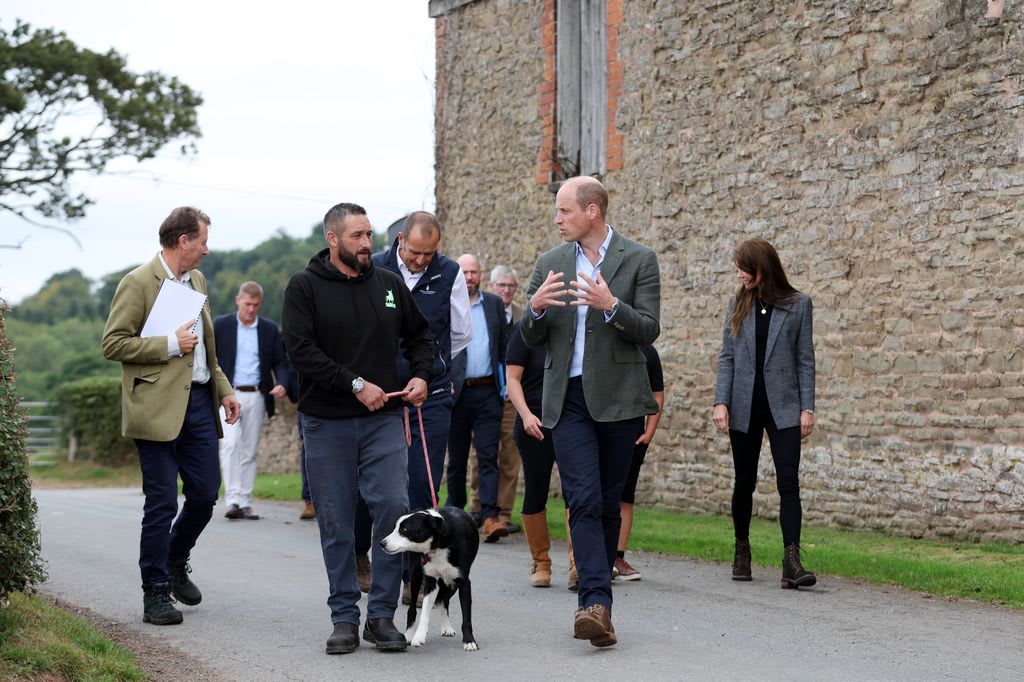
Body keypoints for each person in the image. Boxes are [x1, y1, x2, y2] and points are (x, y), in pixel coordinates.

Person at [282, 202, 433, 654]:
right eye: (357, 237)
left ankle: (381, 617)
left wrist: (422, 375)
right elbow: (301, 351)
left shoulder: (388, 285)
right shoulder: (303, 287)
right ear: (333, 239)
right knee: (336, 520)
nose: (367, 244)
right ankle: (345, 617)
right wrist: (353, 383)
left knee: (392, 509)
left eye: (369, 235)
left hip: (385, 417)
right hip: (327, 423)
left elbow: (421, 336)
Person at [522, 176, 660, 648]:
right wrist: (535, 312)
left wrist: (611, 305)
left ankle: (598, 604)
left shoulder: (639, 259)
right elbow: (529, 336)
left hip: (620, 399)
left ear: (592, 211)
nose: (557, 219)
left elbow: (649, 330)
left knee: (605, 501)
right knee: (580, 498)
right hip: (568, 401)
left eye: (564, 211)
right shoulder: (550, 263)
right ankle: (595, 603)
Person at [101, 206, 241, 626]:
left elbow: (204, 348)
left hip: (199, 403)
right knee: (160, 502)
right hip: (155, 408)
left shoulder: (196, 280)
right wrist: (167, 344)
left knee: (204, 495)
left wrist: (224, 389)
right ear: (183, 242)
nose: (206, 250)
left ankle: (176, 558)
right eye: (202, 241)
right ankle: (156, 591)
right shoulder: (138, 282)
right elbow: (113, 344)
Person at [367, 211, 471, 596]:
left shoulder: (450, 272)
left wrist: (428, 372)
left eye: (429, 253)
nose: (421, 260)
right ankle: (376, 563)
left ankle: (416, 577)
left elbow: (460, 335)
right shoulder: (374, 268)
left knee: (423, 487)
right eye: (415, 252)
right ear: (399, 241)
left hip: (432, 396)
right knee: (379, 488)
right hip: (380, 396)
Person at [712, 237, 817, 589]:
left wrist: (807, 407)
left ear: (763, 267)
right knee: (745, 482)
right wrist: (720, 402)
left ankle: (792, 562)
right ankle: (742, 551)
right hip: (744, 406)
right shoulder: (736, 304)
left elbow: (805, 359)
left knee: (789, 482)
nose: (740, 274)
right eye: (738, 268)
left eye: (745, 267)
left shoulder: (798, 305)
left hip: (784, 406)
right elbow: (727, 357)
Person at [213, 281, 290, 521]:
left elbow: (281, 361)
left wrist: (283, 383)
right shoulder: (221, 325)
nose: (251, 309)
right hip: (229, 394)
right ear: (238, 300)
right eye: (247, 304)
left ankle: (245, 502)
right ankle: (232, 499)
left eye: (256, 305)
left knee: (249, 450)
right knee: (229, 444)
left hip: (257, 394)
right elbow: (210, 356)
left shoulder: (268, 329)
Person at [446, 253, 508, 543]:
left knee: (488, 456)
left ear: (481, 274)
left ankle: (491, 516)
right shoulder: (448, 303)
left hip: (488, 392)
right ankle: (454, 513)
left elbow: (504, 347)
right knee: (457, 460)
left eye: (474, 272)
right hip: (457, 393)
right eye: (465, 272)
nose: (470, 277)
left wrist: (505, 387)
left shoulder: (494, 304)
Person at [505, 321, 560, 587]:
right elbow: (512, 379)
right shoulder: (524, 329)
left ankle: (579, 563)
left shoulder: (576, 328)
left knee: (579, 492)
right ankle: (541, 563)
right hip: (533, 422)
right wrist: (526, 416)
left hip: (570, 420)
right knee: (536, 490)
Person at [469, 265, 523, 533]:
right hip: (489, 392)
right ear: (491, 286)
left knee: (510, 455)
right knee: (483, 452)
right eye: (501, 285)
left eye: (510, 286)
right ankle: (477, 507)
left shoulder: (522, 316)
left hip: (514, 396)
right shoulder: (481, 310)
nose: (506, 290)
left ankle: (503, 514)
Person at [613, 344, 665, 581]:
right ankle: (591, 558)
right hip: (604, 427)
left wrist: (650, 431)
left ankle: (617, 557)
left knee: (626, 494)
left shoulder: (648, 352)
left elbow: (657, 393)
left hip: (634, 433)